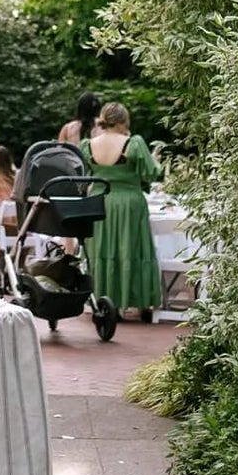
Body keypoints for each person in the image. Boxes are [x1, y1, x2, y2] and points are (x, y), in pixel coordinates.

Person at [85, 102, 162, 320]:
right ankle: (138, 302)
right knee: (132, 249)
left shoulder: (89, 145)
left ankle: (106, 302)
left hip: (99, 202)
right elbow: (152, 174)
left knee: (102, 250)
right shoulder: (133, 143)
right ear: (123, 121)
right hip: (129, 203)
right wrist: (155, 162)